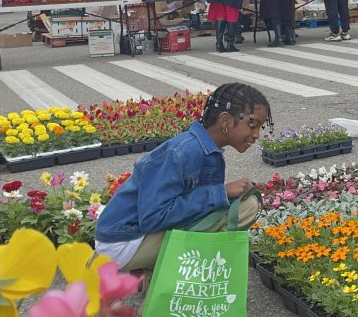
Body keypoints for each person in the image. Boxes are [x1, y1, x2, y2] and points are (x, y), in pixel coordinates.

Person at [95, 83, 269, 272]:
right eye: (253, 125)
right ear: (225, 121)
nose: (256, 135)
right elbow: (152, 217)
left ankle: (152, 276)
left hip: (136, 235)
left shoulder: (204, 149)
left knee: (238, 203)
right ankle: (179, 276)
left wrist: (219, 195)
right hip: (123, 243)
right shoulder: (183, 152)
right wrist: (220, 193)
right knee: (247, 207)